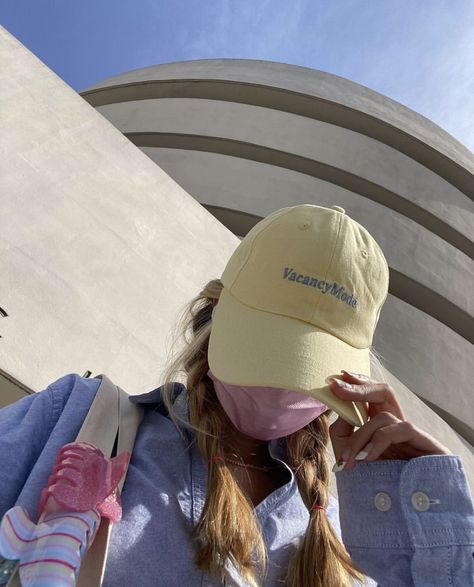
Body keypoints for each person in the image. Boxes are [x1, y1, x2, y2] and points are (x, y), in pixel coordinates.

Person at [0, 204, 473, 587]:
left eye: (307, 366)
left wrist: (426, 520)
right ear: (214, 315)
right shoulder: (74, 417)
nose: (285, 383)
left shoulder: (355, 523)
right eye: (270, 348)